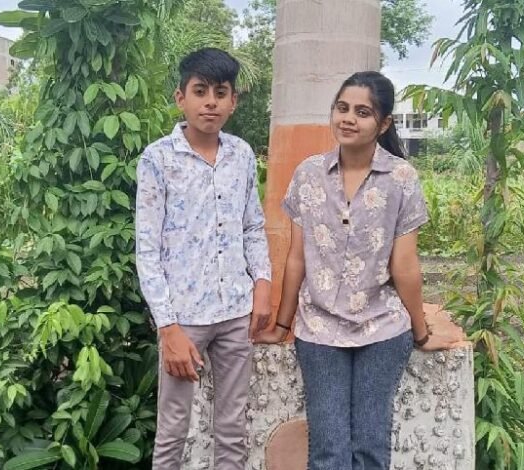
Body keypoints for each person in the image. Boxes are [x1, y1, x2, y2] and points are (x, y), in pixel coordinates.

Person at [256, 71, 455, 469]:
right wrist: (282, 324)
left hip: (382, 330)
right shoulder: (308, 174)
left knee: (369, 448)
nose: (348, 118)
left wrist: (420, 332)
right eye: (342, 108)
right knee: (328, 452)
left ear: (383, 124)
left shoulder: (401, 178)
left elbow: (405, 266)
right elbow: (297, 258)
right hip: (319, 330)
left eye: (362, 112)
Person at [136, 47, 272, 470]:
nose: (210, 102)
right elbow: (147, 249)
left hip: (236, 312)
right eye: (200, 91)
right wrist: (168, 328)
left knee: (232, 428)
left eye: (220, 92)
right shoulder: (158, 159)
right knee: (173, 428)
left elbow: (252, 226)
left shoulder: (241, 155)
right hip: (184, 319)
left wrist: (262, 285)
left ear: (233, 101)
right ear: (181, 97)